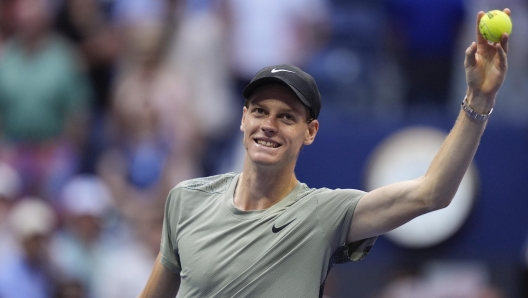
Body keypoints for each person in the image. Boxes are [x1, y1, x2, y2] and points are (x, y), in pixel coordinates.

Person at [138, 9, 510, 298]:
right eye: (259, 111)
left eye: (286, 117)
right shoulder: (186, 200)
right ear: (243, 119)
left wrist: (478, 99)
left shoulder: (323, 214)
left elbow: (431, 193)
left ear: (310, 133)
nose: (269, 125)